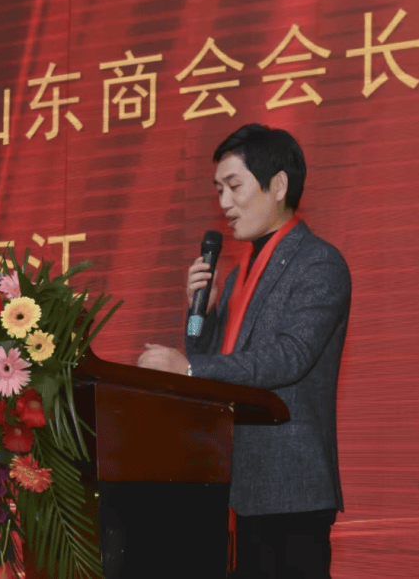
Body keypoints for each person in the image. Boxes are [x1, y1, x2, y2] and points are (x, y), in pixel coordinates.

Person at [138, 123, 351, 579]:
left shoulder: (318, 263)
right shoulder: (239, 273)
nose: (223, 203)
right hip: (237, 484)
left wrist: (189, 367)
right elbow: (213, 359)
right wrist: (200, 312)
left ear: (278, 185)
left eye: (234, 186)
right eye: (218, 189)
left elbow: (290, 357)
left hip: (290, 487)